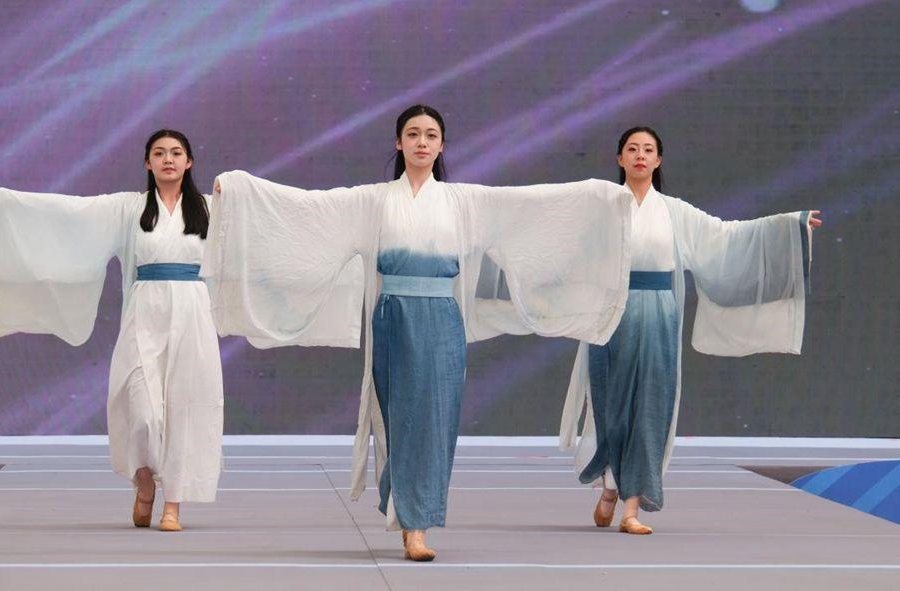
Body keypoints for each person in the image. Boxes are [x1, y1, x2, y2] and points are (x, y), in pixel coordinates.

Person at [203, 105, 635, 560]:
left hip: (442, 319)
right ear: (398, 143)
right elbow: (308, 208)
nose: (422, 142)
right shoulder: (374, 201)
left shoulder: (463, 202)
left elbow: (531, 205)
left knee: (436, 420)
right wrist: (240, 190)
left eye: (430, 135)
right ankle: (408, 512)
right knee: (402, 418)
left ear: (442, 145)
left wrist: (602, 198)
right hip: (393, 317)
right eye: (413, 134)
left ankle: (418, 523)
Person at [557, 126, 822, 534]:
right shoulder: (601, 208)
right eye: (632, 149)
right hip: (611, 314)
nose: (640, 155)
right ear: (620, 158)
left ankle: (631, 506)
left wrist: (789, 225)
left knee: (650, 406)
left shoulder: (674, 212)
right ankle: (609, 486)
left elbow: (727, 236)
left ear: (658, 160)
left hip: (658, 314)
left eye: (648, 149)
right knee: (611, 405)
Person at [0, 129, 224, 532]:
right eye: (159, 153)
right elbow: (72, 211)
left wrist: (238, 190)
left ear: (189, 161)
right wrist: (3, 203)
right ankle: (144, 482)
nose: (168, 159)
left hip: (192, 310)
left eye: (176, 153)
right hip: (145, 310)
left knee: (185, 405)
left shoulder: (212, 209)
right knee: (142, 412)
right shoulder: (128, 208)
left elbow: (270, 216)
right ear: (147, 163)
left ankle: (173, 506)